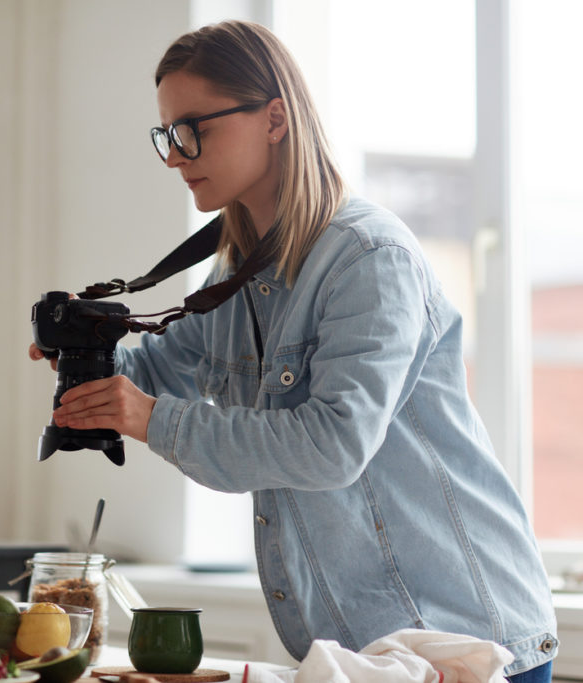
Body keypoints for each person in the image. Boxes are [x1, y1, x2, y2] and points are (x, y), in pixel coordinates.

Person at [29, 20, 557, 681]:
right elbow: (156, 374)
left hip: (465, 643)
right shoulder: (230, 279)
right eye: (167, 134)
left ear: (274, 119)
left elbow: (334, 443)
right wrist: (82, 355)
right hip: (362, 653)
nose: (175, 155)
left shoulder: (369, 258)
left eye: (194, 128)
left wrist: (144, 415)